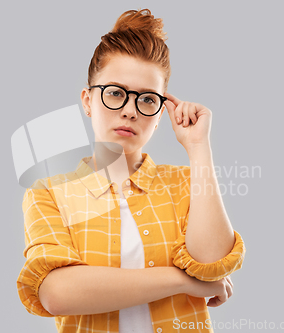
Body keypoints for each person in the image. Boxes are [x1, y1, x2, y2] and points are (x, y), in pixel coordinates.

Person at [17, 8, 246, 333]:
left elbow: (211, 264)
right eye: (115, 93)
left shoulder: (184, 184)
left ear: (160, 110)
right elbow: (57, 292)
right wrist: (184, 281)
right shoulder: (49, 192)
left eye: (147, 100)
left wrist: (198, 147)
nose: (129, 111)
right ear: (87, 100)